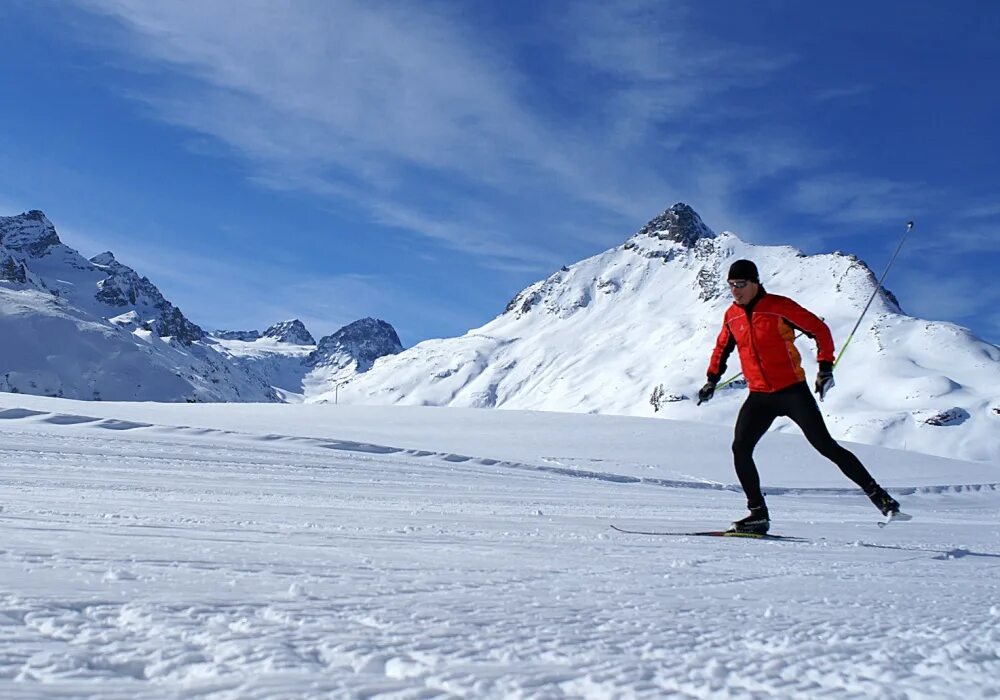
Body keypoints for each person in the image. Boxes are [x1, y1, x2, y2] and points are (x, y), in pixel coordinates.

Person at [698, 259, 901, 534]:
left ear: (755, 282)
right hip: (759, 395)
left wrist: (825, 367)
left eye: (741, 285)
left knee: (826, 446)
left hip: (792, 390)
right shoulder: (731, 316)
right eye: (731, 285)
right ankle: (758, 514)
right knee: (741, 448)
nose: (735, 291)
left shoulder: (779, 307)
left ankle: (881, 498)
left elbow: (819, 330)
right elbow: (722, 348)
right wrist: (712, 380)